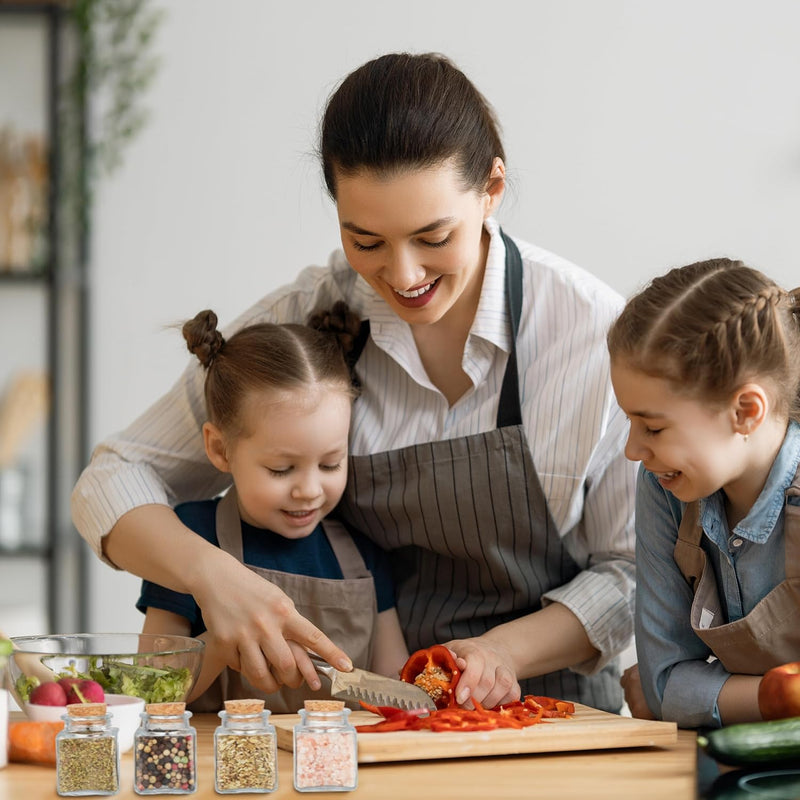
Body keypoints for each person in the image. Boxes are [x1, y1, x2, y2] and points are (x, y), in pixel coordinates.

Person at [72, 52, 637, 712]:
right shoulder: (308, 318)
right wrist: (214, 577)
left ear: (492, 189)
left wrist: (502, 652)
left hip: (557, 722)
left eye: (433, 236)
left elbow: (634, 571)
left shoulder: (593, 333)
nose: (402, 275)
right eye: (365, 241)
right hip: (361, 727)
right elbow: (113, 478)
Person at [138, 303, 409, 712]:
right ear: (219, 448)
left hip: (342, 769)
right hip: (224, 767)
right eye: (282, 469)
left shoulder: (363, 552)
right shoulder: (190, 537)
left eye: (331, 463)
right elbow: (149, 690)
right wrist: (222, 642)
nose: (310, 490)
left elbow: (395, 684)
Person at [607, 258, 800, 729]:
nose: (634, 450)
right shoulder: (666, 485)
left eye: (652, 427)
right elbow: (664, 683)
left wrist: (715, 697)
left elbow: (672, 695)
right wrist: (774, 697)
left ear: (746, 411)